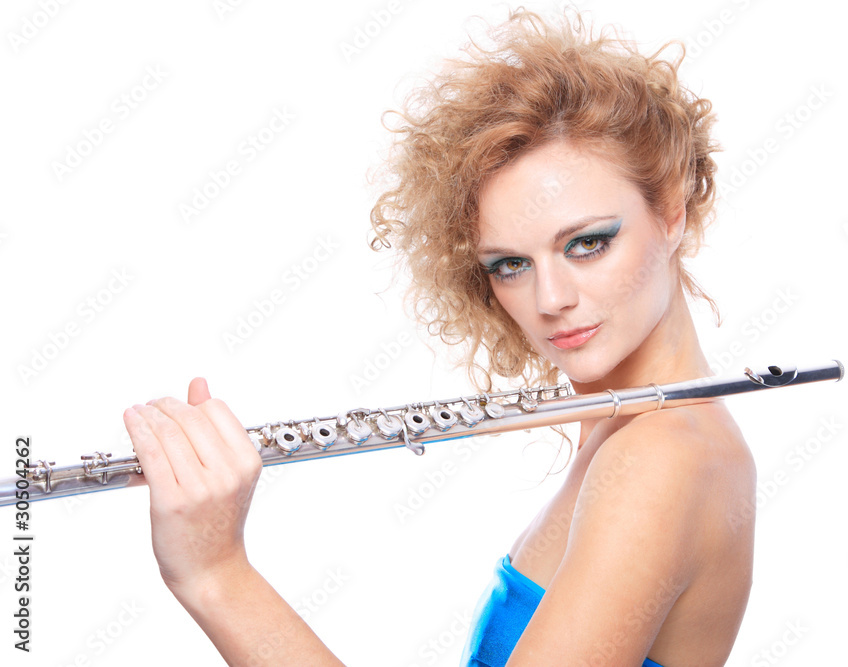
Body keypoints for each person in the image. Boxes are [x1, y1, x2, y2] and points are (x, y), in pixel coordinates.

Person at [122, 7, 756, 666]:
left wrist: (218, 575)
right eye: (510, 264)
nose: (551, 298)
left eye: (588, 243)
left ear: (672, 210)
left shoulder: (662, 457)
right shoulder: (630, 430)